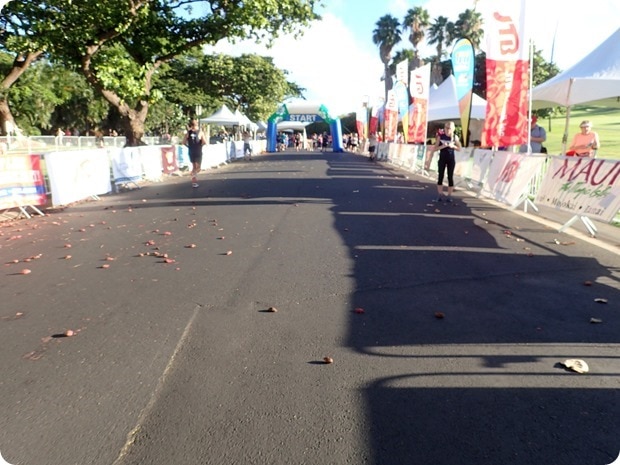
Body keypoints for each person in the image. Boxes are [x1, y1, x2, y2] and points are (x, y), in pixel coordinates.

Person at [433, 121, 462, 202]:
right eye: (446, 128)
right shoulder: (440, 136)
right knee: (440, 176)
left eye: (450, 128)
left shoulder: (455, 137)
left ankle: (449, 195)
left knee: (450, 177)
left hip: (451, 159)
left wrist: (453, 146)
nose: (448, 130)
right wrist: (443, 146)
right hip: (442, 158)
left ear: (453, 129)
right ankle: (440, 194)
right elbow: (435, 149)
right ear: (444, 128)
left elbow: (460, 148)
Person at [182, 119, 207, 188]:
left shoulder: (188, 133)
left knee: (195, 167)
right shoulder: (200, 132)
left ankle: (193, 175)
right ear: (196, 124)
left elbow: (183, 142)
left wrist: (189, 146)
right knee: (197, 168)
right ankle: (194, 181)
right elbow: (205, 142)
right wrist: (200, 145)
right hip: (198, 151)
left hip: (191, 151)